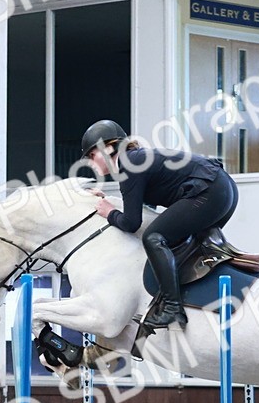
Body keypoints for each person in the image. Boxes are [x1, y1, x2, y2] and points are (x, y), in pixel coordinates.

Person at [81, 120, 240, 329]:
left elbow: (131, 222)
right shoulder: (135, 161)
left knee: (153, 237)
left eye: (92, 155)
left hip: (209, 190)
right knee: (181, 241)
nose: (91, 162)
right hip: (223, 189)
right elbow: (138, 207)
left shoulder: (128, 164)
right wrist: (109, 201)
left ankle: (172, 307)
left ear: (108, 148)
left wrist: (110, 213)